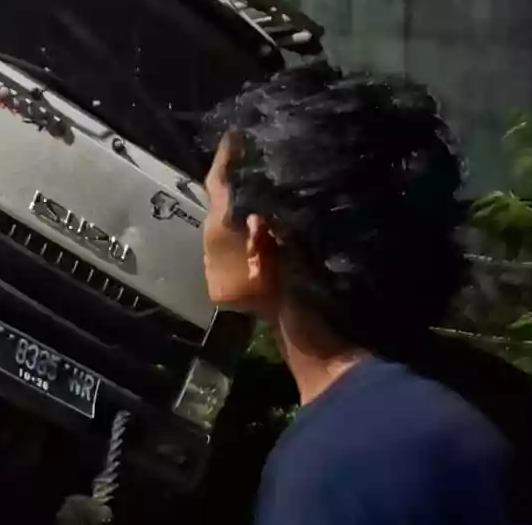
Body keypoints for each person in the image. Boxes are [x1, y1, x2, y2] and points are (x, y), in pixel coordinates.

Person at [199, 61, 514, 525]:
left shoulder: (334, 472)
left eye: (211, 202)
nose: (203, 226)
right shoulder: (487, 393)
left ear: (257, 239)